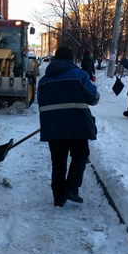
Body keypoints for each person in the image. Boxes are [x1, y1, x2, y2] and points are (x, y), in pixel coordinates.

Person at [37, 46, 100, 207]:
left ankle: (58, 197)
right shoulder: (79, 76)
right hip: (77, 125)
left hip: (53, 128)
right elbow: (93, 98)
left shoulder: (43, 82)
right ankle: (71, 188)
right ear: (71, 59)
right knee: (80, 156)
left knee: (58, 162)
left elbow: (42, 105)